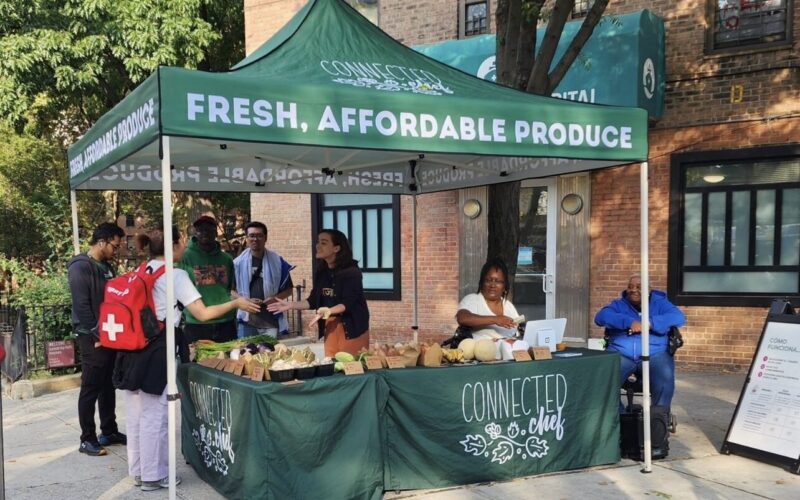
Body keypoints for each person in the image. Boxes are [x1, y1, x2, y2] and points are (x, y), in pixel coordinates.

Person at [113, 226, 259, 491]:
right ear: (176, 244)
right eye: (181, 241)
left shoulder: (142, 269)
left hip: (132, 347)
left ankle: (139, 470)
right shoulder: (175, 274)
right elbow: (202, 313)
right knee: (156, 413)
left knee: (135, 411)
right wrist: (235, 304)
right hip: (158, 347)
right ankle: (153, 475)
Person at [67, 222, 127, 457]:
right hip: (91, 336)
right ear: (101, 241)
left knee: (107, 385)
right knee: (91, 386)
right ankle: (87, 438)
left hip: (108, 334)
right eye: (115, 245)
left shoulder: (106, 266)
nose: (117, 250)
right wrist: (96, 332)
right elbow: (81, 305)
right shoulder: (80, 266)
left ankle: (109, 430)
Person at [268, 229, 369, 357]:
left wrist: (328, 311)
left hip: (353, 327)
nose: (318, 246)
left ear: (336, 248)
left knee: (351, 367)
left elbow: (348, 303)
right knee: (332, 366)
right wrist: (291, 305)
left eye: (324, 242)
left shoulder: (352, 272)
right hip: (330, 325)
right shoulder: (322, 272)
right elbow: (313, 301)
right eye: (318, 242)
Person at [594, 274, 686, 411]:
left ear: (649, 290)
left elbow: (679, 317)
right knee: (602, 382)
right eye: (630, 287)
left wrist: (650, 324)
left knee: (665, 383)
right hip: (622, 352)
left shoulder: (661, 304)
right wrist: (629, 322)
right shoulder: (618, 305)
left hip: (655, 353)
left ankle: (658, 421)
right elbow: (600, 317)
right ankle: (620, 418)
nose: (633, 290)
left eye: (639, 287)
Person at [179, 215, 237, 343]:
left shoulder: (226, 259)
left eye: (209, 230)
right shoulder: (185, 257)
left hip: (225, 322)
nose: (204, 233)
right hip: (196, 323)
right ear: (196, 233)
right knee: (198, 362)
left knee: (229, 361)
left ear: (216, 233)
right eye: (200, 230)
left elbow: (230, 289)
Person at [233, 221, 295, 338]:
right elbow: (230, 291)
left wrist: (274, 298)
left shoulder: (277, 262)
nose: (255, 239)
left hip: (270, 320)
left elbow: (289, 290)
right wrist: (244, 300)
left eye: (259, 235)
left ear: (265, 238)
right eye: (251, 236)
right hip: (247, 320)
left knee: (270, 355)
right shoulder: (237, 264)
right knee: (245, 354)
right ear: (247, 238)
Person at [456, 257, 521, 341]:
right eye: (488, 280)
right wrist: (495, 319)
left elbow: (515, 333)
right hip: (479, 352)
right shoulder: (472, 300)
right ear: (482, 283)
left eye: (498, 281)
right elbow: (462, 318)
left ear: (504, 286)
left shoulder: (509, 306)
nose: (492, 285)